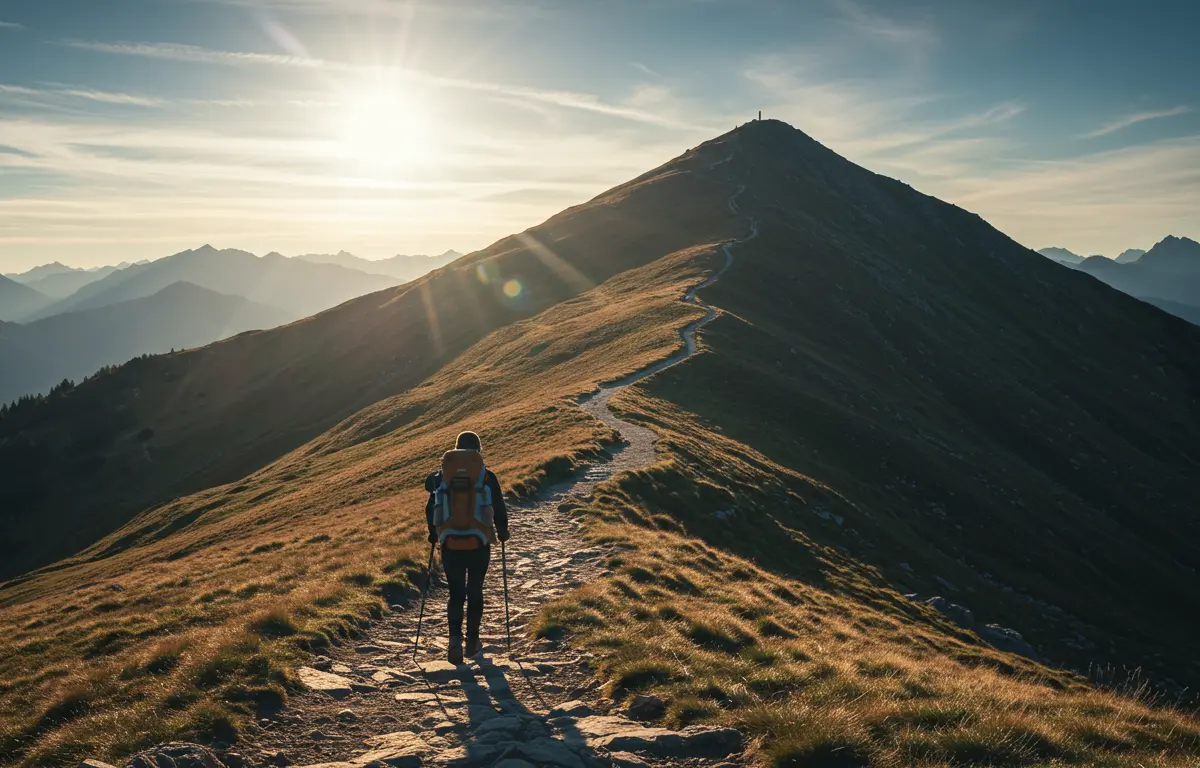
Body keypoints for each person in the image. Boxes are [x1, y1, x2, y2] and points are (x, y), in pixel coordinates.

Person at [425, 430, 509, 663]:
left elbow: (431, 504)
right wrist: (502, 531)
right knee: (475, 590)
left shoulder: (442, 476)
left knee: (456, 593)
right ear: (478, 451)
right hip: (479, 541)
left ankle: (454, 640)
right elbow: (499, 505)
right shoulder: (486, 476)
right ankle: (472, 641)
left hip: (450, 542)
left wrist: (434, 533)